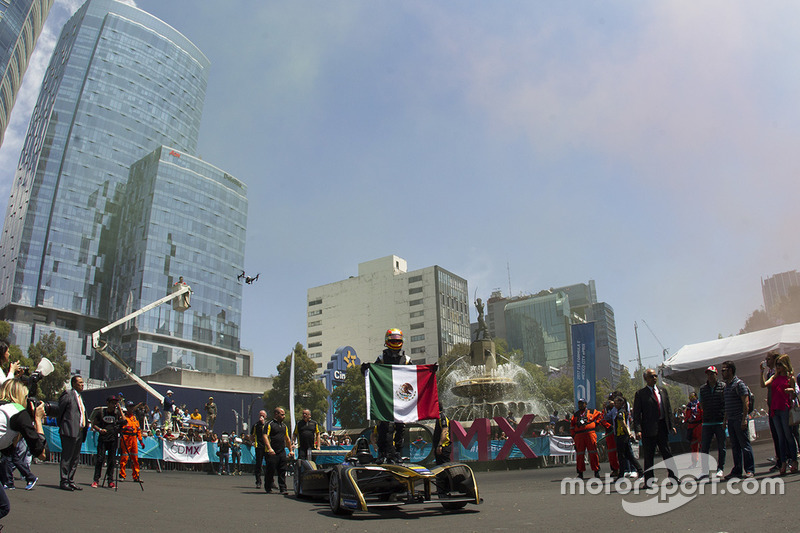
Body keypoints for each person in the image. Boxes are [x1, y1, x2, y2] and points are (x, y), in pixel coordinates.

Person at [0, 379, 46, 518]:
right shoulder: (17, 411)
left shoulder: (4, 411)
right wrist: (38, 420)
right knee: (3, 507)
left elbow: (7, 450)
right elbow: (41, 453)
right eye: (26, 397)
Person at [633, 368, 677, 484]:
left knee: (667, 453)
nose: (654, 378)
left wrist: (671, 425)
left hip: (662, 427)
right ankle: (649, 481)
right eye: (651, 376)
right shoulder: (640, 394)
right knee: (649, 456)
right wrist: (638, 430)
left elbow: (668, 409)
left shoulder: (662, 391)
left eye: (655, 376)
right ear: (645, 378)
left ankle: (673, 477)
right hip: (648, 429)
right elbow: (636, 414)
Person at [374, 328, 411, 462]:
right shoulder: (381, 358)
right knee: (384, 427)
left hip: (401, 398)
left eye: (398, 340)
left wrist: (430, 371)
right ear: (387, 341)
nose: (395, 342)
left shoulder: (407, 359)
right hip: (385, 397)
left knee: (400, 427)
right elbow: (372, 373)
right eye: (393, 340)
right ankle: (383, 453)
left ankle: (398, 453)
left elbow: (417, 375)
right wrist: (365, 368)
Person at [760, 354, 798, 475]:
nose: (778, 367)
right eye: (777, 365)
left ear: (785, 365)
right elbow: (763, 384)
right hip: (775, 409)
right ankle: (783, 462)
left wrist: (791, 390)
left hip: (785, 408)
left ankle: (794, 460)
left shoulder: (790, 378)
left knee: (788, 435)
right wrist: (761, 372)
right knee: (780, 437)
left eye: (780, 364)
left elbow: (795, 393)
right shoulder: (774, 377)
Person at [720, 361, 755, 479]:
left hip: (739, 418)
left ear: (730, 370)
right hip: (731, 420)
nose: (722, 373)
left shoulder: (739, 384)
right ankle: (737, 470)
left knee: (744, 445)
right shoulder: (727, 386)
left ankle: (749, 470)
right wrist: (725, 420)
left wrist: (744, 419)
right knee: (735, 446)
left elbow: (746, 402)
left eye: (724, 370)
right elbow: (726, 406)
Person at [57, 375, 87, 491]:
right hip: (69, 430)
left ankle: (71, 480)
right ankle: (64, 480)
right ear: (73, 384)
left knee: (75, 458)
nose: (82, 384)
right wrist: (63, 426)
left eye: (82, 382)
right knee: (67, 457)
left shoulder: (81, 398)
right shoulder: (68, 395)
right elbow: (61, 412)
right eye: (79, 382)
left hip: (79, 431)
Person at [698, 365, 726, 478]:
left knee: (721, 446)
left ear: (716, 374)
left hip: (720, 421)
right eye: (708, 374)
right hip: (707, 422)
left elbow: (725, 403)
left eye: (712, 373)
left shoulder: (723, 386)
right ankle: (705, 471)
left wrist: (724, 419)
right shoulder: (703, 389)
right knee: (704, 447)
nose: (710, 376)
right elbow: (701, 404)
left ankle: (720, 468)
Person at [91, 395, 123, 488]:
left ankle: (110, 480)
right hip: (103, 439)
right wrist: (100, 430)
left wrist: (120, 409)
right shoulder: (101, 412)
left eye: (115, 403)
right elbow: (94, 424)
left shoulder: (117, 414)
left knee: (112, 461)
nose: (114, 405)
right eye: (112, 403)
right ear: (108, 403)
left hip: (113, 440)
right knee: (100, 459)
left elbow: (124, 422)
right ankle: (96, 480)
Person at [570, 398, 603, 478]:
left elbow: (601, 416)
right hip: (579, 436)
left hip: (590, 434)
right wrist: (574, 436)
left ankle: (596, 471)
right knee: (580, 454)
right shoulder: (576, 415)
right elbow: (572, 426)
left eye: (582, 403)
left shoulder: (592, 411)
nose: (580, 405)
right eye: (579, 404)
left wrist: (596, 423)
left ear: (586, 404)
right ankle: (580, 473)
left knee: (593, 453)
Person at [613, 395, 642, 479]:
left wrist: (629, 434)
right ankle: (640, 471)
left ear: (621, 403)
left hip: (622, 436)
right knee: (629, 456)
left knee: (621, 456)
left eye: (616, 403)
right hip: (622, 436)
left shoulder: (621, 412)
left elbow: (623, 423)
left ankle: (621, 474)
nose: (615, 404)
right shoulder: (622, 411)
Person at [264, 407, 293, 494]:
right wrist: (269, 448)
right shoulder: (270, 424)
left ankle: (283, 488)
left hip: (281, 451)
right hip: (272, 452)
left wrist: (290, 450)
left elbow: (287, 439)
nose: (284, 416)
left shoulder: (284, 426)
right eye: (282, 414)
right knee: (271, 470)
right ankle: (268, 487)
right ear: (276, 414)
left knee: (282, 470)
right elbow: (265, 436)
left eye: (284, 414)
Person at [119, 401, 144, 483]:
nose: (132, 408)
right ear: (127, 408)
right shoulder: (124, 417)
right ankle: (122, 475)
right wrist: (126, 428)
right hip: (126, 438)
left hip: (134, 439)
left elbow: (138, 430)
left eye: (132, 407)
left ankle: (136, 476)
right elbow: (120, 428)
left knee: (135, 459)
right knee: (124, 458)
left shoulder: (134, 418)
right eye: (130, 407)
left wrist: (141, 441)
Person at [684, 392, 703, 468]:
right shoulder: (689, 406)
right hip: (691, 426)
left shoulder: (699, 405)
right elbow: (687, 416)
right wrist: (686, 420)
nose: (691, 398)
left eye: (693, 396)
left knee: (702, 445)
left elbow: (702, 414)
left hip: (699, 425)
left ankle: (704, 462)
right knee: (693, 446)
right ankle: (694, 462)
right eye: (690, 397)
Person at [251, 410, 267, 489]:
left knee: (270, 464)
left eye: (263, 415)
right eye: (260, 415)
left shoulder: (268, 424)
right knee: (258, 464)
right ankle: (258, 481)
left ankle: (270, 482)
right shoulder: (256, 425)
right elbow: (252, 435)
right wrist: (252, 442)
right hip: (259, 446)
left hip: (267, 446)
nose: (261, 416)